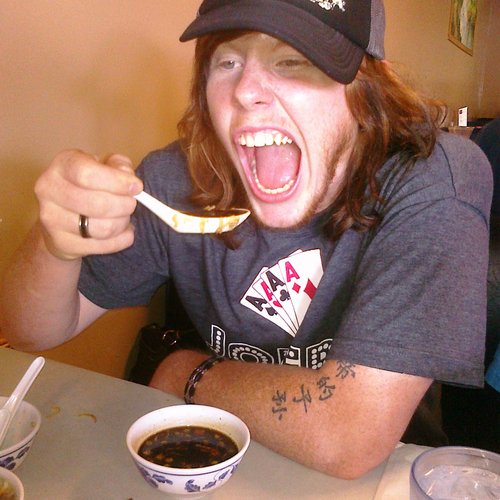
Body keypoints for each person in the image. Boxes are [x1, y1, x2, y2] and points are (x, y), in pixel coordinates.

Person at [0, 0, 493, 479]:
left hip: (383, 475)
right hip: (223, 454)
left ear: (366, 86)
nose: (245, 91)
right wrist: (54, 246)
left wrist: (184, 373)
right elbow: (30, 333)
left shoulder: (435, 181)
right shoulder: (173, 180)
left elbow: (349, 438)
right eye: (228, 61)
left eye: (294, 60)